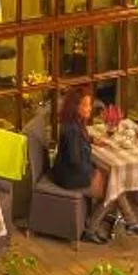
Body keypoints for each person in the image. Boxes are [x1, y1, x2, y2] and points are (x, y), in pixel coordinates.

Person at [46, 88, 123, 242]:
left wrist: (92, 141)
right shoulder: (72, 130)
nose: (90, 109)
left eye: (90, 105)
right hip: (71, 177)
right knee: (114, 190)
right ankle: (91, 228)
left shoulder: (74, 123)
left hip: (68, 171)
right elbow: (76, 161)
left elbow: (80, 141)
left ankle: (130, 220)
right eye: (86, 105)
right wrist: (94, 172)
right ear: (76, 107)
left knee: (114, 179)